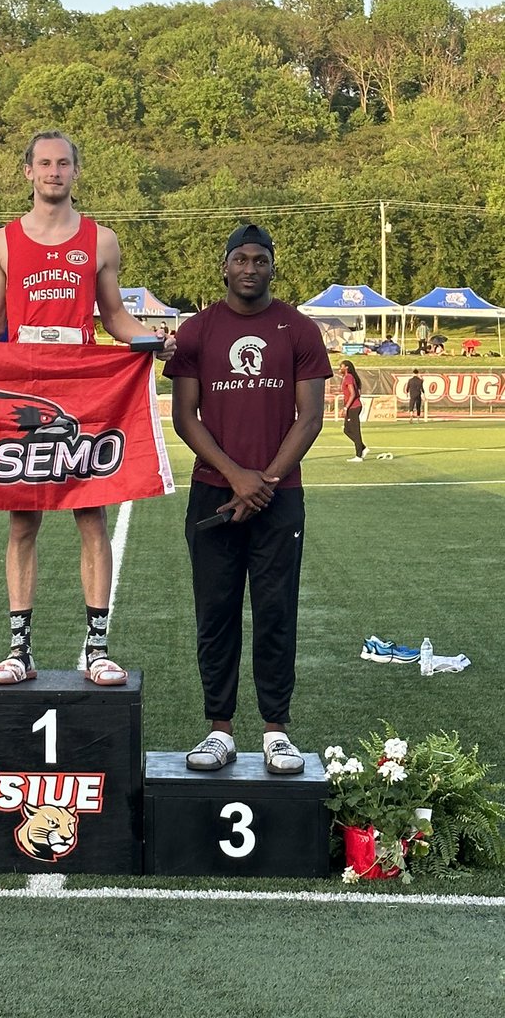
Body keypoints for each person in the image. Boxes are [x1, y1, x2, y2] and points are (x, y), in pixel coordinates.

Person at [0, 130, 174, 687]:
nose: (53, 172)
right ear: (27, 172)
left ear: (76, 171)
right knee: (23, 522)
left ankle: (97, 647)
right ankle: (20, 649)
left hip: (83, 390)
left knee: (93, 514)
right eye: (44, 163)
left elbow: (115, 318)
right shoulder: (3, 243)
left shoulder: (101, 241)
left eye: (63, 162)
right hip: (26, 389)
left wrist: (151, 339)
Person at [165, 224, 331, 775]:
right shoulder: (197, 331)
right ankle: (219, 730)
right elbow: (184, 416)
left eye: (261, 259)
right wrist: (237, 477)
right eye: (241, 259)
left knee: (276, 612)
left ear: (272, 268)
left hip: (279, 501)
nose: (251, 268)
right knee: (215, 614)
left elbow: (310, 418)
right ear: (226, 266)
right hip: (214, 494)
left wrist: (264, 484)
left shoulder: (299, 329)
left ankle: (276, 731)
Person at [339, 359, 368, 461]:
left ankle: (359, 455)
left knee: (355, 430)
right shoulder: (347, 377)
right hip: (352, 407)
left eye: (341, 366)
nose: (340, 368)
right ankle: (362, 447)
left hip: (354, 407)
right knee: (347, 430)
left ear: (346, 367)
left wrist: (346, 407)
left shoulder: (349, 377)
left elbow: (353, 394)